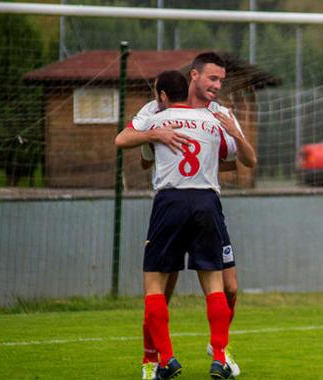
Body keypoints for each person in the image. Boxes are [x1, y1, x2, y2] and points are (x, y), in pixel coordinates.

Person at [115, 69, 256, 379]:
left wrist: (154, 136)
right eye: (213, 79)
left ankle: (166, 358)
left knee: (154, 286)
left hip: (170, 202)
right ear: (192, 80)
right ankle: (218, 357)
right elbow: (230, 160)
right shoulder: (212, 120)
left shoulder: (155, 118)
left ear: (163, 95)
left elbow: (125, 144)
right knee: (215, 284)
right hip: (206, 201)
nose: (217, 86)